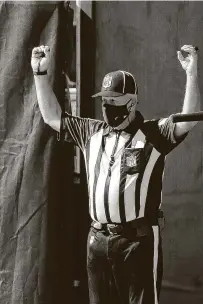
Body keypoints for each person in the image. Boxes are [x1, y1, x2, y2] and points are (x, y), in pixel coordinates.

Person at [31, 44, 200, 304]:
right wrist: (39, 75)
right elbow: (53, 117)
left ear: (131, 103)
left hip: (137, 241)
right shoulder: (92, 132)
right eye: (105, 101)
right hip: (98, 239)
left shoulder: (153, 134)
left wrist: (191, 74)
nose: (107, 107)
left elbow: (187, 120)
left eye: (115, 101)